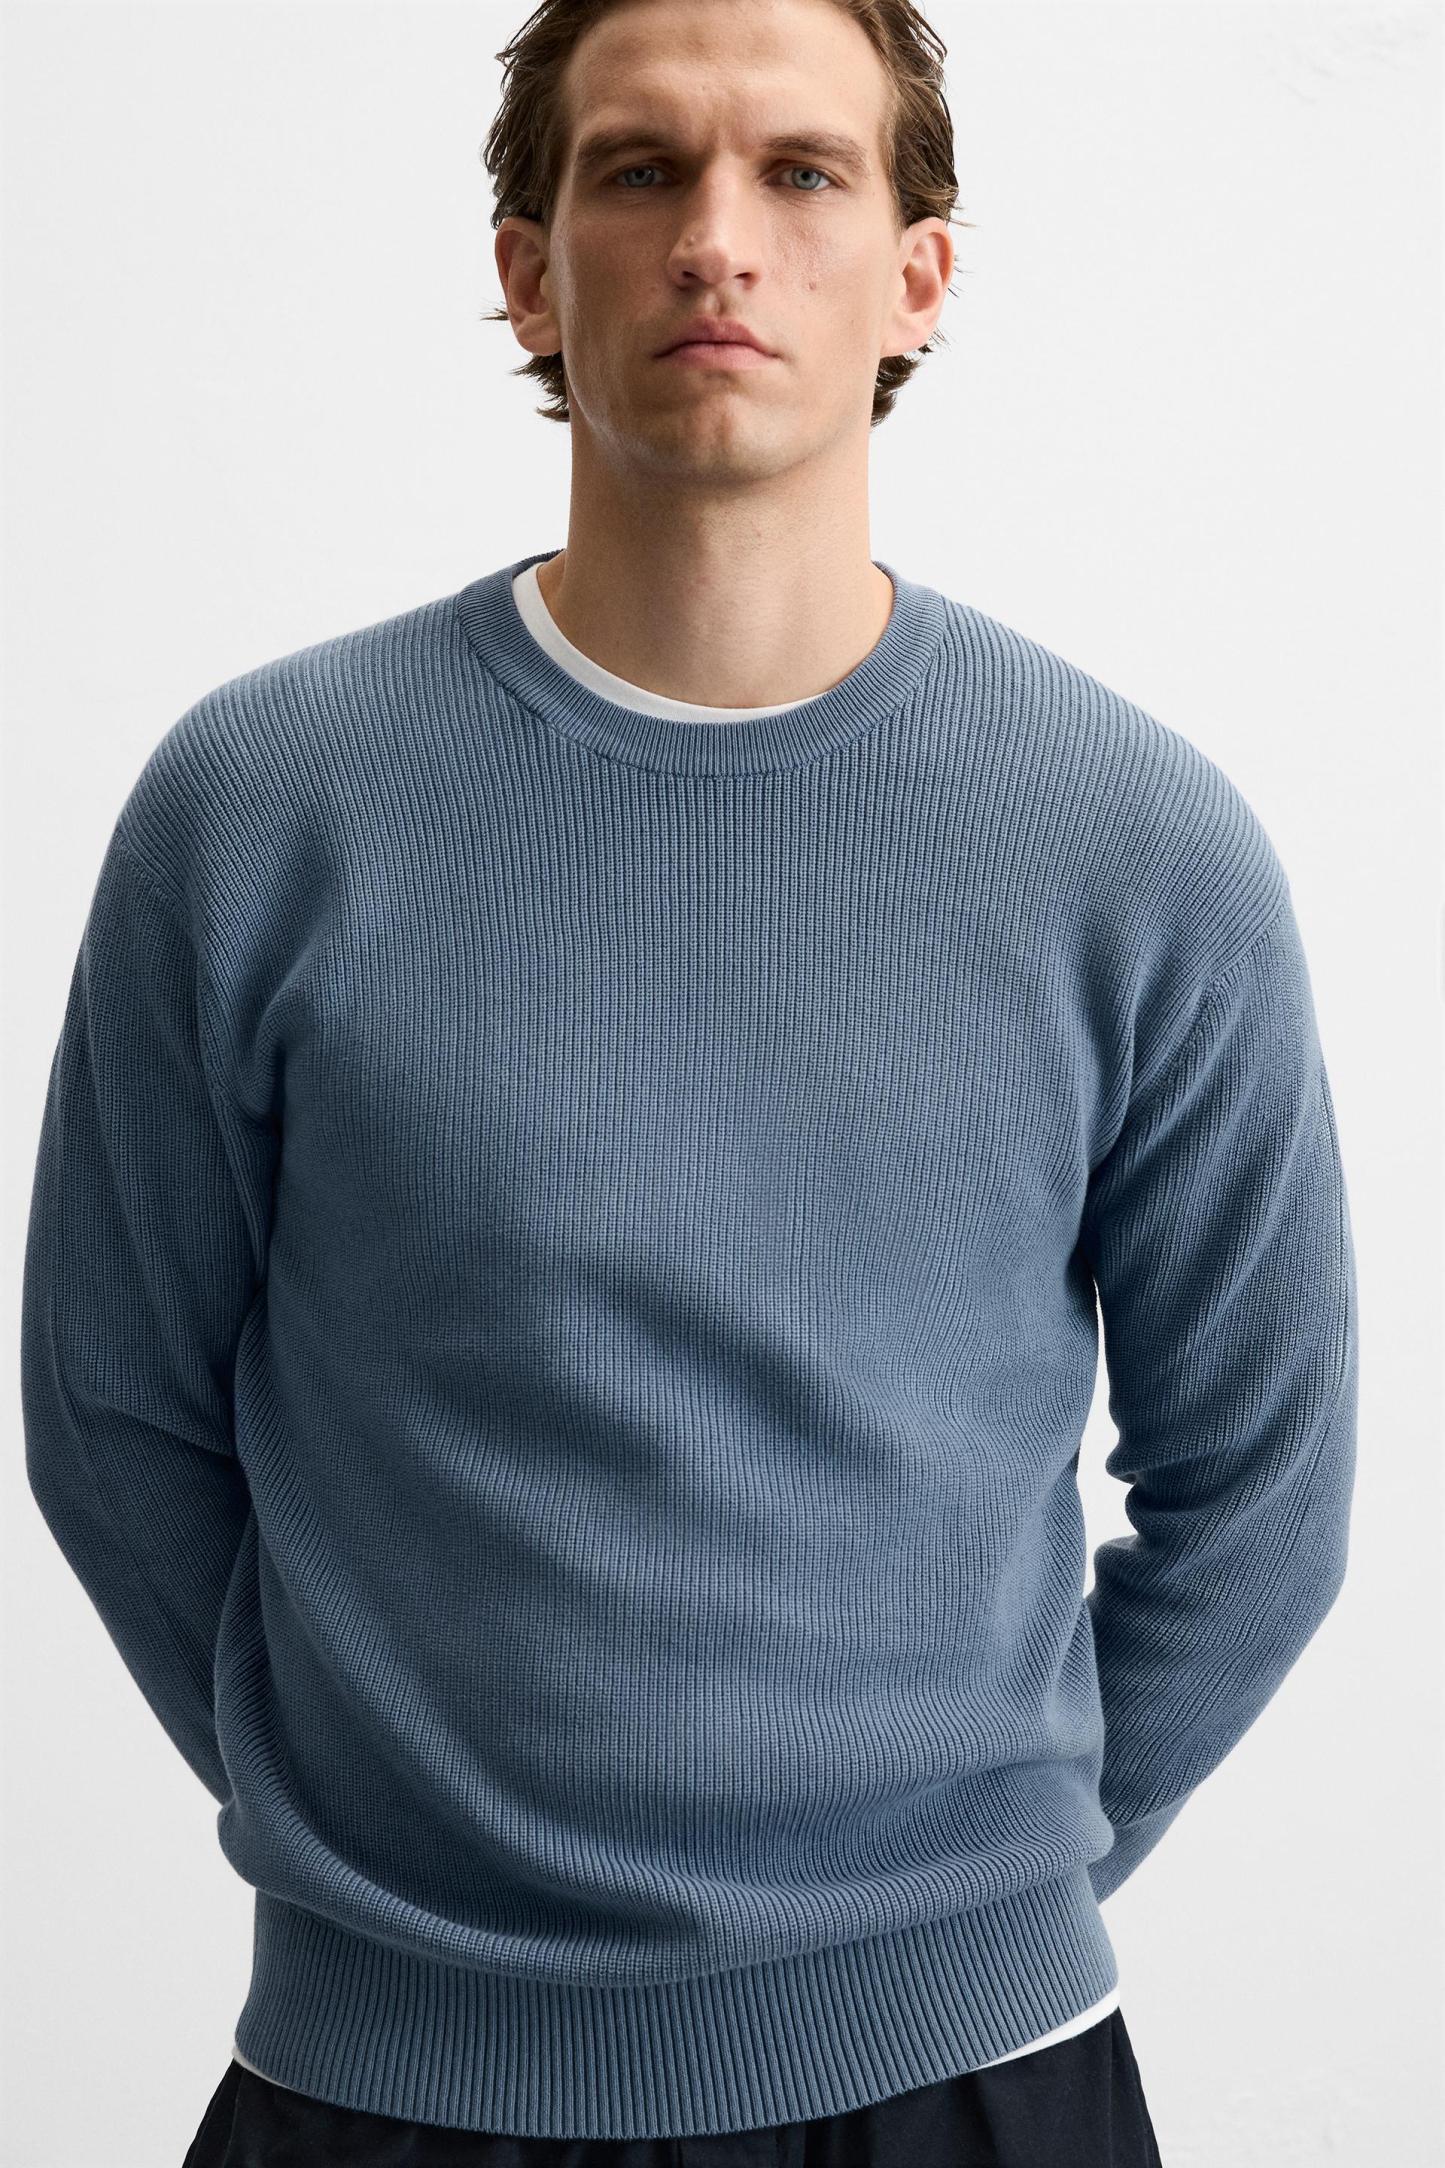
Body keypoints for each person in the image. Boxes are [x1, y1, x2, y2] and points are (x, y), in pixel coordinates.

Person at [21, 1, 1357, 2163]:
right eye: (639, 169)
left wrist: (962, 1905)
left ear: (918, 273)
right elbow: (113, 1413)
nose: (717, 239)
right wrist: (375, 1840)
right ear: (528, 271)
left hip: (972, 2083)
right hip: (383, 2079)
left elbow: (1265, 1492)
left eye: (800, 172)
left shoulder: (1136, 847)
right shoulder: (262, 810)